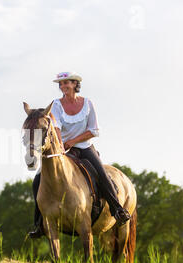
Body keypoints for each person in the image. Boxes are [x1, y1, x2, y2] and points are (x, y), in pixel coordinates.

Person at [28, 72, 130, 238]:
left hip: (84, 147)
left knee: (102, 175)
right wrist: (61, 145)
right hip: (62, 150)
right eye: (60, 84)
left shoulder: (88, 104)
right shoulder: (55, 105)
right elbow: (56, 126)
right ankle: (39, 223)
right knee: (37, 181)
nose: (62, 87)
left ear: (75, 84)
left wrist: (73, 141)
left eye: (66, 83)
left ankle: (117, 209)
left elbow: (94, 130)